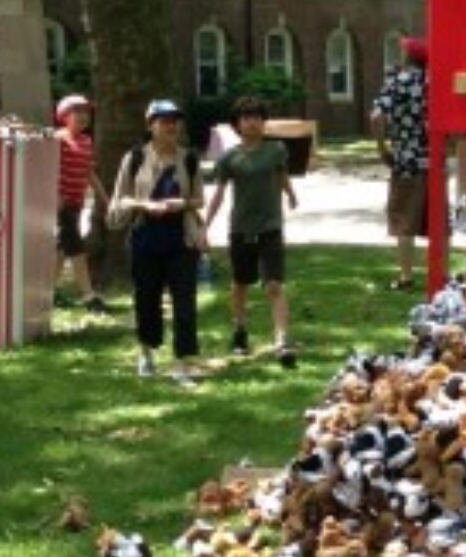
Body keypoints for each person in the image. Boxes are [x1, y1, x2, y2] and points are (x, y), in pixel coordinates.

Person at [107, 99, 206, 386]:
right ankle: (146, 354)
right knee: (146, 299)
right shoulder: (135, 157)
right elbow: (120, 198)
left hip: (181, 238)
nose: (170, 125)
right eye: (163, 120)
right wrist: (144, 205)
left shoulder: (189, 158)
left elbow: (200, 199)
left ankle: (181, 364)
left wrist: (182, 203)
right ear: (150, 125)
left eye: (174, 120)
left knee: (185, 301)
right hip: (145, 236)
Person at [203, 95, 299, 368]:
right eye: (247, 118)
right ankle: (240, 331)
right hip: (240, 228)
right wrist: (205, 225)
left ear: (263, 122)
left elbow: (281, 175)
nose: (252, 122)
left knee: (274, 284)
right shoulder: (229, 158)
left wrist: (291, 195)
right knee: (240, 283)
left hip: (271, 226)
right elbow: (219, 193)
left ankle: (281, 339)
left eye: (257, 117)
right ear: (237, 124)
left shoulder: (276, 149)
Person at [371, 36, 430, 292]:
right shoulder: (434, 84)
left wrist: (382, 148)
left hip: (405, 160)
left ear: (407, 57)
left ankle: (406, 277)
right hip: (433, 160)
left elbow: (376, 117)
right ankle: (442, 275)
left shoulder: (396, 82)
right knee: (437, 221)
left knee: (404, 221)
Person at [53, 94, 110, 312]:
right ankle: (89, 297)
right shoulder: (58, 139)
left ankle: (50, 292)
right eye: (76, 111)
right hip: (62, 205)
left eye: (86, 112)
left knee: (61, 247)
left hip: (76, 203)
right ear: (64, 116)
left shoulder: (86, 141)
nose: (83, 116)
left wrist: (104, 198)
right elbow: (47, 170)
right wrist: (56, 196)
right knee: (76, 247)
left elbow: (88, 173)